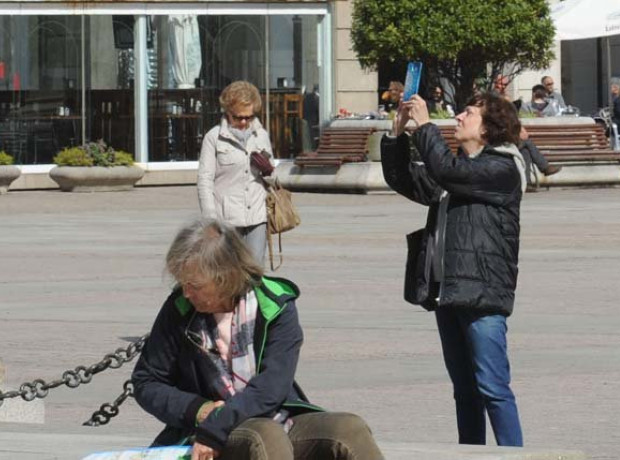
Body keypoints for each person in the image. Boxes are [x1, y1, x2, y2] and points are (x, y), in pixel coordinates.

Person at [132, 219, 384, 460]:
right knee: (264, 436)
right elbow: (147, 381)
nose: (186, 293)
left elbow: (270, 389)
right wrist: (199, 409)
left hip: (273, 417)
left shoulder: (275, 305)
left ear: (225, 276)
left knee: (348, 428)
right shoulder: (179, 309)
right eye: (182, 283)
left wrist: (220, 423)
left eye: (195, 285)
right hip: (208, 432)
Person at [381, 92, 525, 446]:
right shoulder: (458, 171)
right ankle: (471, 454)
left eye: (468, 113)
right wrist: (396, 136)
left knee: (492, 387)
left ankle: (516, 455)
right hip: (448, 291)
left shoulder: (502, 167)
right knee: (465, 390)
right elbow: (404, 178)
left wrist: (427, 125)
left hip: (482, 294)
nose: (459, 117)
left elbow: (447, 170)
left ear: (489, 130)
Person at [198, 81, 274, 265]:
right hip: (227, 219)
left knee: (255, 270)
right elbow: (204, 180)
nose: (243, 122)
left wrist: (268, 170)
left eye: (248, 117)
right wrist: (210, 219)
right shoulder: (214, 137)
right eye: (238, 117)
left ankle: (250, 296)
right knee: (230, 272)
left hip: (256, 214)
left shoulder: (261, 135)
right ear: (227, 112)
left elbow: (273, 177)